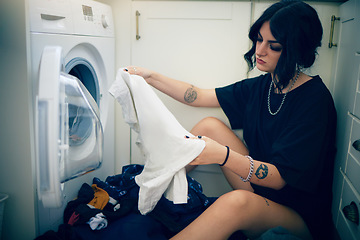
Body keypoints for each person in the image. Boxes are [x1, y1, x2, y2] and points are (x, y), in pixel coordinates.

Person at [125, 0, 337, 239]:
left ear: (296, 49)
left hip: (297, 214)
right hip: (262, 192)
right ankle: (147, 191)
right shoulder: (265, 86)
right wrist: (149, 76)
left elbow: (279, 180)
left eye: (273, 45)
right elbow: (198, 95)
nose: (260, 51)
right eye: (258, 40)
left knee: (236, 202)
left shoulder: (314, 100)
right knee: (209, 127)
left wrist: (221, 155)